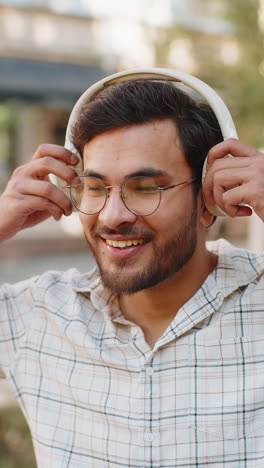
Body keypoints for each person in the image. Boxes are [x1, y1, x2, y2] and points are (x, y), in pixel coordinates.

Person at [0, 72, 264, 468]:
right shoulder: (37, 317)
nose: (113, 215)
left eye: (145, 187)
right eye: (95, 186)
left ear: (209, 197)